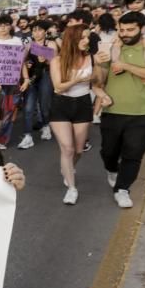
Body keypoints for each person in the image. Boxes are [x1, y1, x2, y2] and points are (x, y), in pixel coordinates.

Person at [95, 11, 145, 209]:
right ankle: (112, 170)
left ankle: (122, 189)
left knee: (133, 154)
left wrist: (125, 66)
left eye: (130, 30)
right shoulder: (111, 50)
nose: (125, 34)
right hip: (113, 111)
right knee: (108, 152)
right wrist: (97, 63)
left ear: (142, 29)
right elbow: (99, 80)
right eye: (122, 30)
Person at [49, 26, 97, 205]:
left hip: (83, 104)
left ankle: (67, 169)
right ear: (72, 40)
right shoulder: (57, 61)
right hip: (61, 105)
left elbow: (98, 82)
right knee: (67, 149)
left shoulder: (92, 58)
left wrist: (102, 96)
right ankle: (72, 188)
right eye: (82, 38)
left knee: (78, 150)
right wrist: (78, 79)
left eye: (88, 37)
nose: (86, 41)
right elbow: (58, 87)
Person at [0, 15, 29, 150]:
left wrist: (26, 78)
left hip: (13, 81)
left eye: (5, 25)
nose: (3, 28)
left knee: (9, 110)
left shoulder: (17, 41)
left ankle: (2, 139)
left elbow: (21, 62)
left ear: (10, 26)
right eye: (0, 26)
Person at [18, 20, 56, 149]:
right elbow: (21, 60)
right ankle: (27, 136)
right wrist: (27, 65)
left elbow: (55, 62)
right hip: (31, 78)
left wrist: (46, 60)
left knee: (45, 105)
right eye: (34, 30)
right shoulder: (29, 45)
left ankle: (46, 126)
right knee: (28, 108)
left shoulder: (50, 43)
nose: (36, 33)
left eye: (39, 30)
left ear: (45, 32)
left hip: (45, 76)